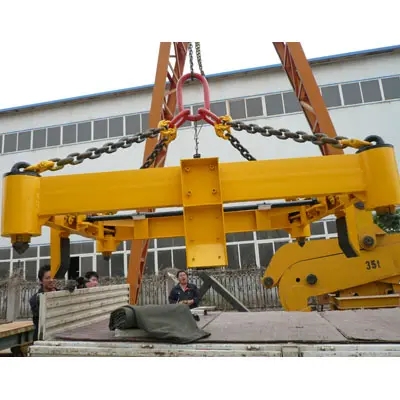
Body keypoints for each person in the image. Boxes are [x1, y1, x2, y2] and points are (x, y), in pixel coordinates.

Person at [29, 265, 58, 341]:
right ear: (41, 281)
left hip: (59, 336)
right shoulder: (35, 299)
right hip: (42, 338)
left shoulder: (62, 294)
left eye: (53, 277)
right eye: (47, 278)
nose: (51, 280)